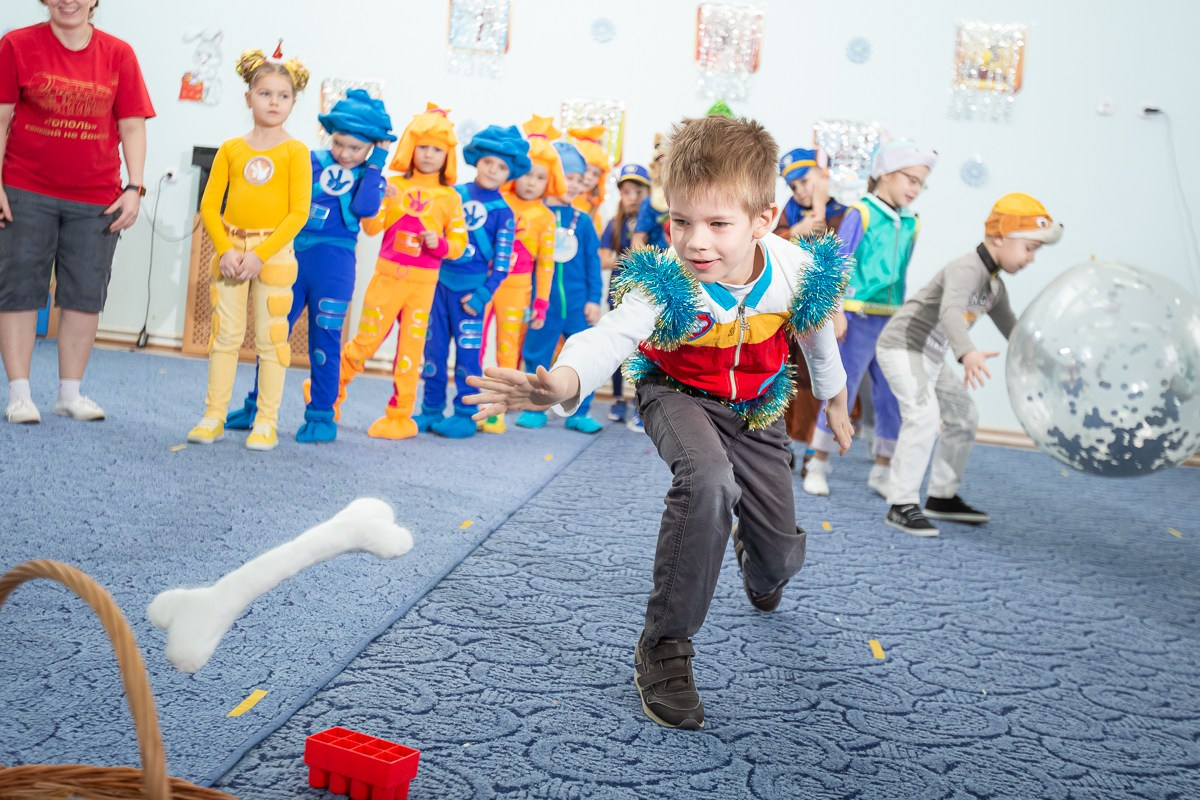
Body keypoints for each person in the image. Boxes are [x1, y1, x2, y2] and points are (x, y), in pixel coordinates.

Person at [464, 115, 852, 730]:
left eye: (718, 225)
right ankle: (664, 646)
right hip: (676, 393)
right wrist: (562, 383)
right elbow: (608, 337)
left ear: (763, 220)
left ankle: (763, 556)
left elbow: (816, 330)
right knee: (708, 483)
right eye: (681, 221)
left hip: (757, 408)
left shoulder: (794, 270)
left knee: (779, 560)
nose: (696, 242)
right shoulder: (668, 280)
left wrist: (832, 395)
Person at [0, 0, 154, 424]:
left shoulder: (118, 53)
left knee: (85, 296)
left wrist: (135, 187)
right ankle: (19, 394)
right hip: (24, 188)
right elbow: (1, 117)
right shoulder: (16, 44)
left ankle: (70, 393)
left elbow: (132, 124)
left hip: (96, 197)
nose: (68, 0)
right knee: (19, 289)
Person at [876, 193, 1063, 535]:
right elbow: (950, 311)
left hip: (930, 355)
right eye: (1029, 248)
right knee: (924, 417)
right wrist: (968, 353)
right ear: (998, 238)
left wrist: (1048, 362)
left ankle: (941, 496)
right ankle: (900, 503)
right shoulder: (966, 269)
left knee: (964, 417)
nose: (1032, 258)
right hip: (904, 346)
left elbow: (1013, 328)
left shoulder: (994, 286)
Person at [224, 89, 395, 443]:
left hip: (334, 270)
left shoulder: (372, 176)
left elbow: (365, 211)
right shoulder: (310, 160)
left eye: (356, 148)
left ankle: (321, 414)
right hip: (290, 260)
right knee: (272, 336)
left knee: (325, 342)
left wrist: (376, 161)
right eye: (339, 143)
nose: (345, 153)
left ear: (372, 147)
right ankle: (257, 406)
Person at [186, 47, 311, 451]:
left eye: (283, 95)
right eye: (265, 94)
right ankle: (213, 415)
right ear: (248, 98)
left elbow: (298, 212)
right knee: (224, 336)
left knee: (272, 339)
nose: (274, 102)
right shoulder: (231, 149)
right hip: (230, 251)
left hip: (272, 255)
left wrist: (260, 255)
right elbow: (209, 204)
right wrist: (225, 250)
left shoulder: (296, 152)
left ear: (293, 102)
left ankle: (266, 421)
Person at [803, 139, 938, 497]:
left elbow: (902, 271)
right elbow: (839, 263)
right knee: (841, 391)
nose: (915, 189)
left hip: (891, 320)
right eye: (910, 179)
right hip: (856, 316)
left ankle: (883, 467)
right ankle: (818, 461)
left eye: (920, 183)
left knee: (893, 394)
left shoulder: (912, 222)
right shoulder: (860, 213)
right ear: (885, 175)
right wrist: (836, 312)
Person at [335, 102, 467, 440]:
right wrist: (379, 194)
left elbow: (458, 245)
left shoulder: (450, 198)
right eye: (422, 146)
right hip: (387, 277)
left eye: (436, 149)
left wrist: (436, 242)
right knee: (365, 342)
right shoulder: (393, 184)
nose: (427, 154)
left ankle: (400, 414)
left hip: (423, 285)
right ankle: (327, 393)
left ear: (447, 155)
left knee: (411, 351)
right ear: (410, 146)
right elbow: (371, 226)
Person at [415, 124, 530, 439]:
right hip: (438, 286)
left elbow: (503, 263)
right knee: (434, 353)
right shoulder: (454, 194)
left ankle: (465, 414)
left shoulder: (504, 213)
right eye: (489, 162)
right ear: (478, 159)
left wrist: (483, 294)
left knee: (468, 357)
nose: (493, 170)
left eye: (502, 166)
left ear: (510, 172)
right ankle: (430, 409)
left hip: (471, 294)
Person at [482, 115, 565, 434]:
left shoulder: (546, 218)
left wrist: (541, 302)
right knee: (473, 345)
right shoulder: (498, 201)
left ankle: (495, 413)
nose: (531, 182)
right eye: (527, 174)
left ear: (550, 181)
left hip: (517, 289)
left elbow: (546, 264)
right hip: (486, 282)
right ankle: (467, 403)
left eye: (540, 177)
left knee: (508, 351)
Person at [513, 140, 603, 434]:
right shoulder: (534, 216)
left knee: (583, 358)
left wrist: (593, 299)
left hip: (578, 304)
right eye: (569, 178)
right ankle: (535, 406)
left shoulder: (585, 222)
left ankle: (580, 411)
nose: (575, 185)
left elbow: (593, 262)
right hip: (543, 304)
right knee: (537, 354)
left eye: (579, 179)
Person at [774, 147, 847, 470]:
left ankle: (809, 444)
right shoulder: (788, 212)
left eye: (804, 181)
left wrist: (837, 309)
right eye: (793, 186)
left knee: (817, 376)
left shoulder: (844, 213)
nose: (799, 190)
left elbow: (843, 261)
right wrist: (793, 232)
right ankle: (783, 440)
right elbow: (768, 243)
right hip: (787, 306)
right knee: (784, 371)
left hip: (825, 308)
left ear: (821, 176)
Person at [598, 162, 650, 425]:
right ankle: (618, 399)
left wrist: (622, 257)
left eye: (637, 192)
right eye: (626, 191)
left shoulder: (655, 223)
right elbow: (603, 260)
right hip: (618, 294)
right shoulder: (613, 224)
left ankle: (642, 404)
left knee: (647, 351)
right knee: (618, 347)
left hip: (649, 297)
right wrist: (634, 256)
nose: (631, 197)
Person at [568, 125, 611, 236]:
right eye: (586, 170)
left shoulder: (598, 209)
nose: (589, 177)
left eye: (595, 174)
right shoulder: (561, 200)